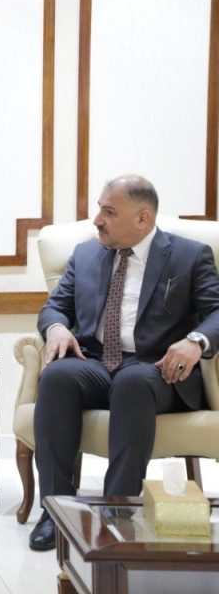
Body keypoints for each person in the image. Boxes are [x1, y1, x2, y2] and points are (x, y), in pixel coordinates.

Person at [29, 175, 219, 550]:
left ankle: (116, 514)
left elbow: (216, 312)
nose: (97, 220)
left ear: (142, 218)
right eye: (100, 209)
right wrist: (56, 328)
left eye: (109, 212)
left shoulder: (189, 255)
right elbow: (55, 307)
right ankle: (55, 511)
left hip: (157, 368)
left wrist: (195, 342)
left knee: (133, 383)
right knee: (57, 376)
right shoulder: (85, 254)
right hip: (96, 363)